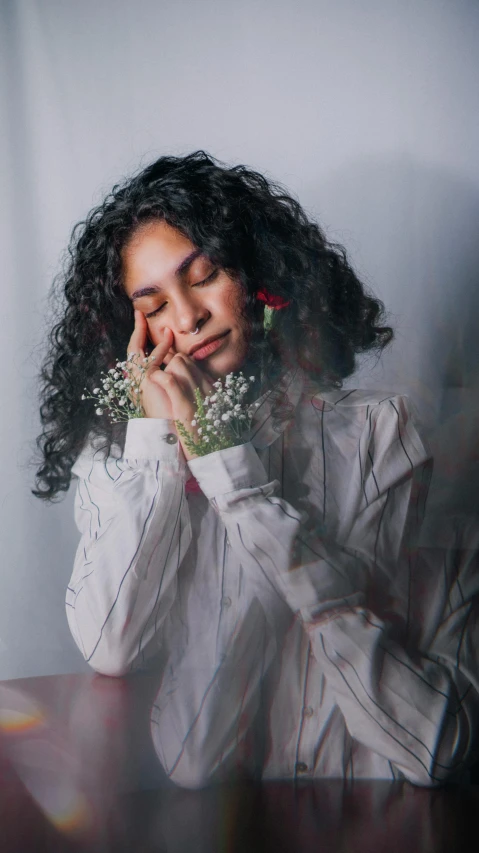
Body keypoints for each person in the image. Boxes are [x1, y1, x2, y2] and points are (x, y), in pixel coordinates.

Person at [34, 151, 479, 788]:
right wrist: (160, 442)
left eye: (206, 274)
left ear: (258, 275)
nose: (188, 317)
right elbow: (118, 654)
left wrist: (229, 467)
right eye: (153, 306)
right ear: (130, 336)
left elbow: (431, 749)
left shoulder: (379, 432)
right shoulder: (126, 462)